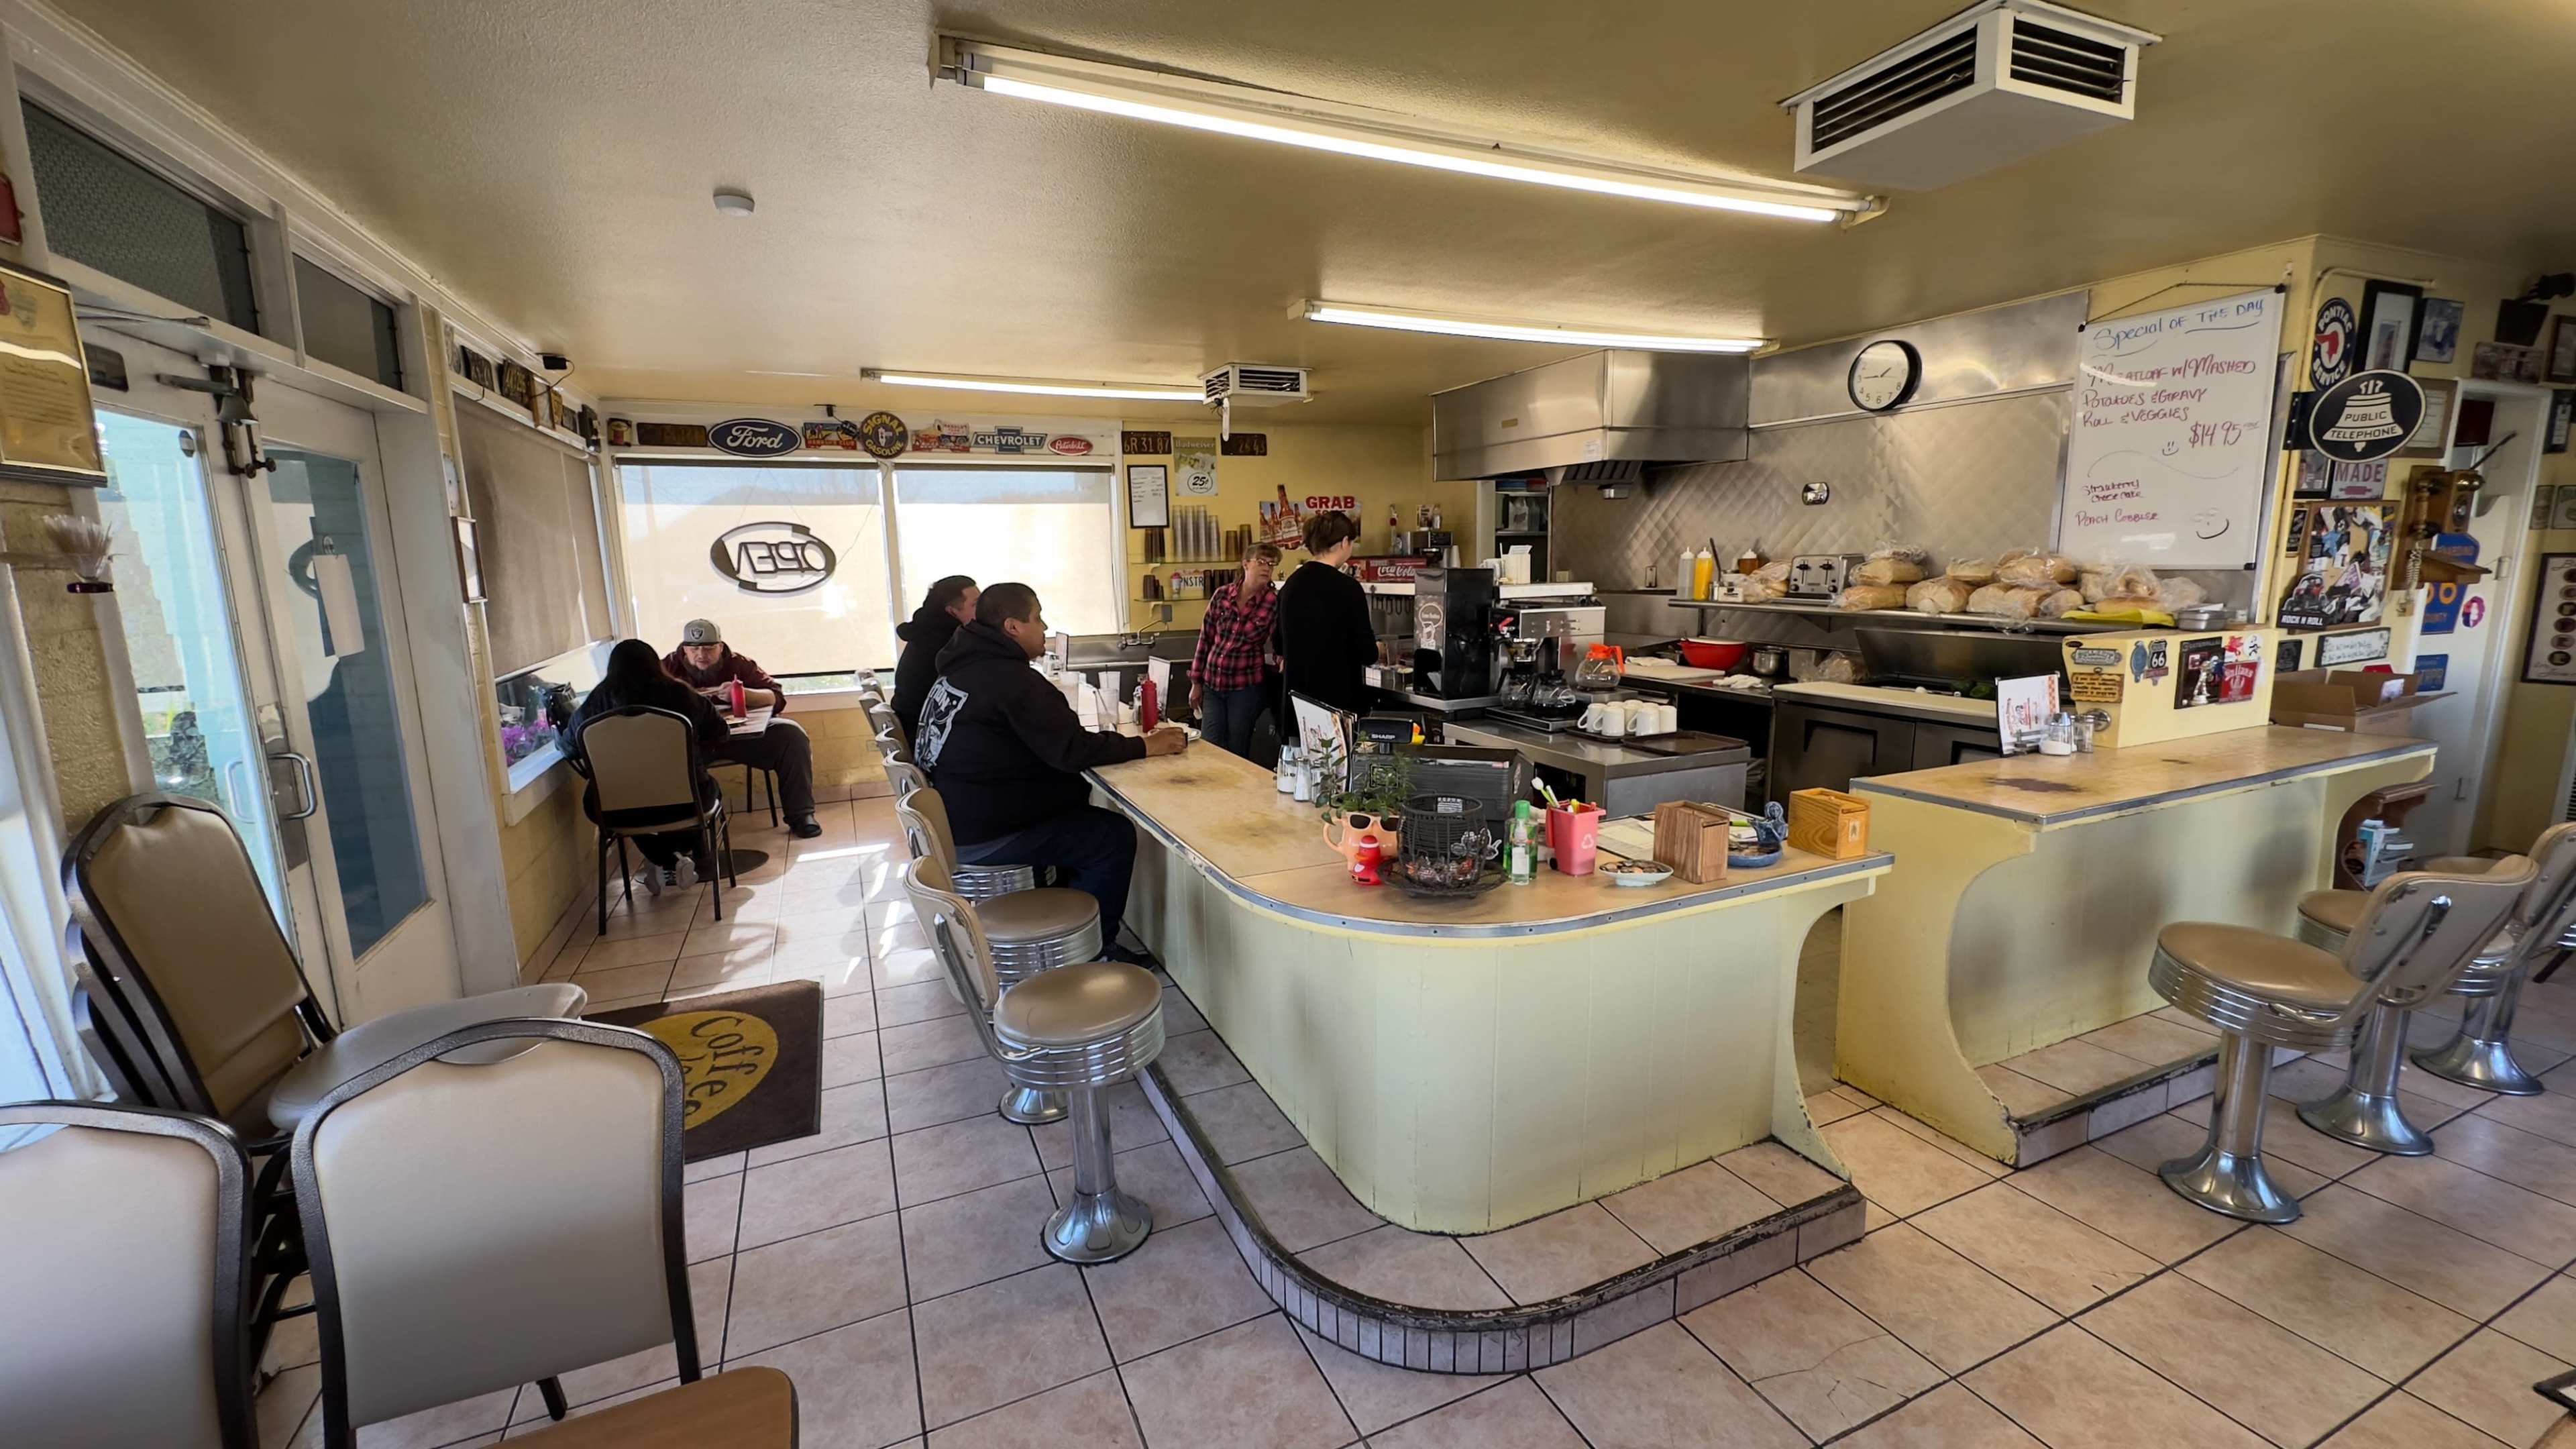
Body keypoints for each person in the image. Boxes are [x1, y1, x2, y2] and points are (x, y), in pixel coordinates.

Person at [916, 582, 1187, 953]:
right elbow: (1072, 750)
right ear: (1012, 627)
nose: (1044, 628)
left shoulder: (960, 670)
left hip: (955, 820)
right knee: (1112, 835)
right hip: (987, 833)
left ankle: (1067, 914)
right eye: (1038, 619)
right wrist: (1146, 745)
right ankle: (1096, 949)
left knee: (1081, 814)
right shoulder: (1012, 681)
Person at [575, 638, 729, 891]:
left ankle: (662, 859)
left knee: (627, 802)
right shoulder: (683, 695)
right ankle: (679, 858)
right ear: (657, 664)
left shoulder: (595, 703)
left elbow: (571, 744)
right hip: (689, 803)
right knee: (704, 793)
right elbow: (720, 732)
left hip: (615, 808)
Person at [662, 619, 821, 839]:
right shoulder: (668, 667)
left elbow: (776, 697)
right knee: (663, 755)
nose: (701, 654)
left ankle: (801, 815)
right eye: (694, 649)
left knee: (791, 735)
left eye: (708, 648)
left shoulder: (739, 664)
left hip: (741, 738)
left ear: (720, 647)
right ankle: (685, 832)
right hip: (695, 745)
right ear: (684, 649)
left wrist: (745, 695)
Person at [1271, 509, 1375, 716]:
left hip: (1298, 707)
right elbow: (1367, 653)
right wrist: (1378, 649)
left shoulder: (1291, 585)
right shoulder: (1348, 587)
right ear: (1345, 542)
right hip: (1337, 707)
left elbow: (1278, 644)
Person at [1189, 543, 1279, 759]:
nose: (1267, 568)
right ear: (1246, 564)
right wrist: (1196, 682)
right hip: (1213, 684)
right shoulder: (1222, 595)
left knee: (1237, 752)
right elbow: (1206, 638)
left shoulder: (1273, 601)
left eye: (1272, 564)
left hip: (1244, 687)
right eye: (1261, 562)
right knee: (1210, 748)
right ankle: (1212, 793)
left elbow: (1281, 639)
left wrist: (1282, 658)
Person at [892, 574, 977, 739]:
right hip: (925, 734)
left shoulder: (926, 631)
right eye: (975, 604)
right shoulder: (947, 641)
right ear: (952, 611)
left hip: (914, 725)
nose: (984, 609)